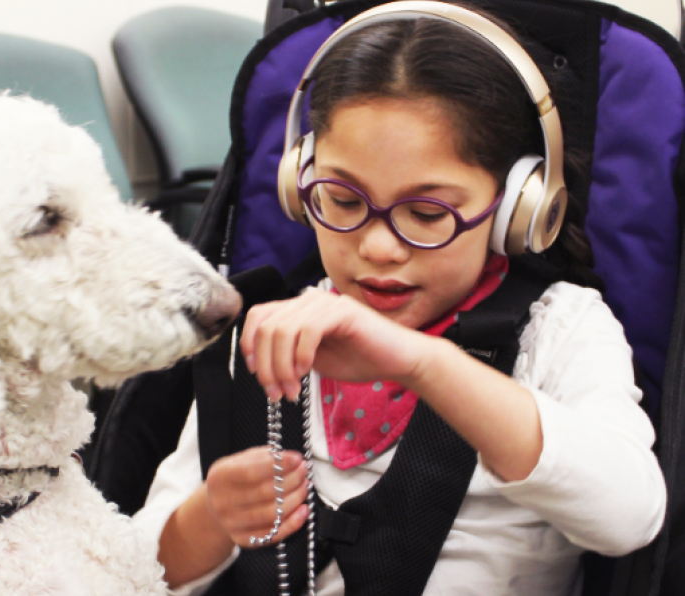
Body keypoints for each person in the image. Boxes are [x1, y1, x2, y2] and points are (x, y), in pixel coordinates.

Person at [131, 6, 667, 596]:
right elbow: (137, 573)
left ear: (521, 208)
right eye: (341, 199)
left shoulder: (562, 330)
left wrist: (425, 364)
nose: (379, 246)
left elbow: (630, 518)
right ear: (297, 180)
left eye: (428, 213)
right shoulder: (272, 333)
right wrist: (208, 518)